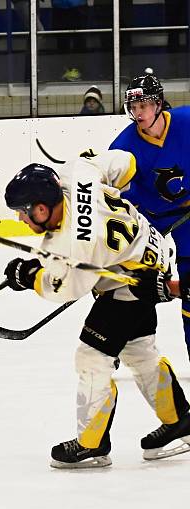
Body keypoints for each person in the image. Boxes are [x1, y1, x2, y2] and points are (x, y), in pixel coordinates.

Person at [0, 150, 190, 468]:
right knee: (139, 351)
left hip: (131, 281)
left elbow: (69, 286)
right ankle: (180, 420)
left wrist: (31, 277)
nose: (20, 218)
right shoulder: (78, 176)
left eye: (23, 212)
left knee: (92, 358)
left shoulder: (76, 244)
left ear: (42, 208)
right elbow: (125, 163)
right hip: (151, 248)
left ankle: (92, 444)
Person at [107, 70, 190, 359]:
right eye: (133, 107)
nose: (137, 113)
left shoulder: (186, 121)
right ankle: (112, 346)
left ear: (158, 104)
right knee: (124, 278)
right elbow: (111, 195)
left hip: (188, 217)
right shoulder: (122, 146)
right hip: (148, 217)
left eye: (143, 106)